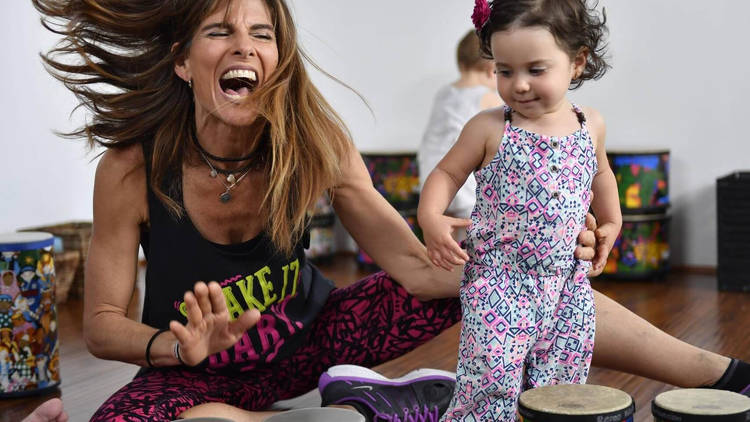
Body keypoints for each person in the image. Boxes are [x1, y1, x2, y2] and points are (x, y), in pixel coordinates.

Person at [30, 0, 748, 421]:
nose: (245, 45)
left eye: (264, 32)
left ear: (278, 59)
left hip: (313, 339)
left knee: (508, 279)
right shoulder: (130, 168)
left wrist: (502, 252)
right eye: (219, 30)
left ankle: (722, 377)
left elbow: (409, 264)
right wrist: (171, 349)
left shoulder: (315, 142)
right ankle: (396, 403)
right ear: (185, 60)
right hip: (191, 367)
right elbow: (99, 327)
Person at [418, 0, 621, 418]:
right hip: (500, 283)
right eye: (505, 71)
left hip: (567, 284)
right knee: (490, 380)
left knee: (563, 382)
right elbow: (445, 174)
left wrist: (613, 222)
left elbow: (601, 176)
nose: (519, 85)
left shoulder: (591, 125)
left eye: (535, 70)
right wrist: (430, 217)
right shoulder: (491, 127)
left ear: (577, 63)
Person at [417, 30, 501, 226]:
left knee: (446, 235)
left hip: (433, 182)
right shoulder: (488, 97)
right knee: (469, 234)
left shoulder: (444, 93)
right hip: (465, 186)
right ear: (492, 69)